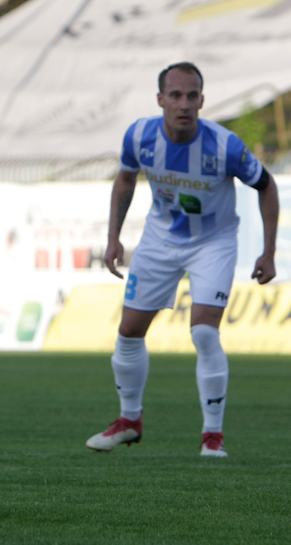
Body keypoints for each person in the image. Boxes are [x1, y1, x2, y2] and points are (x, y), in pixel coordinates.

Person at [86, 62, 278, 458]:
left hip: (213, 241)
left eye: (192, 96)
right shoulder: (139, 136)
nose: (184, 104)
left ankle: (212, 436)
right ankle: (129, 420)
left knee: (204, 332)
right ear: (161, 99)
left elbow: (266, 185)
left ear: (202, 101)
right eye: (175, 95)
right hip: (160, 238)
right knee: (129, 332)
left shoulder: (225, 145)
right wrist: (113, 238)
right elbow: (125, 179)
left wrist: (269, 251)